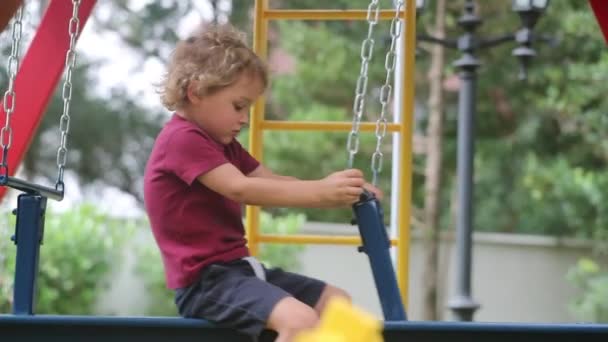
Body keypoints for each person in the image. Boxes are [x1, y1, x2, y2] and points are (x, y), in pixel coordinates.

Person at [143, 23, 382, 342]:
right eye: (238, 106)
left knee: (335, 303)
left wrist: (339, 189)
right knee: (300, 321)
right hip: (206, 283)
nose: (244, 118)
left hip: (240, 270)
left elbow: (270, 181)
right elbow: (240, 188)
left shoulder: (223, 146)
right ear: (196, 91)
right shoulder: (181, 140)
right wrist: (322, 194)